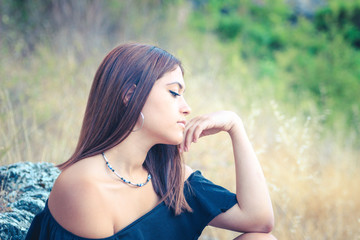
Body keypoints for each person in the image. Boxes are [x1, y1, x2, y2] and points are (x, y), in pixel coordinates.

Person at [25, 43, 276, 240]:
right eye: (174, 93)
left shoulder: (168, 176)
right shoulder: (85, 187)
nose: (187, 108)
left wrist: (235, 126)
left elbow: (258, 220)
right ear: (130, 95)